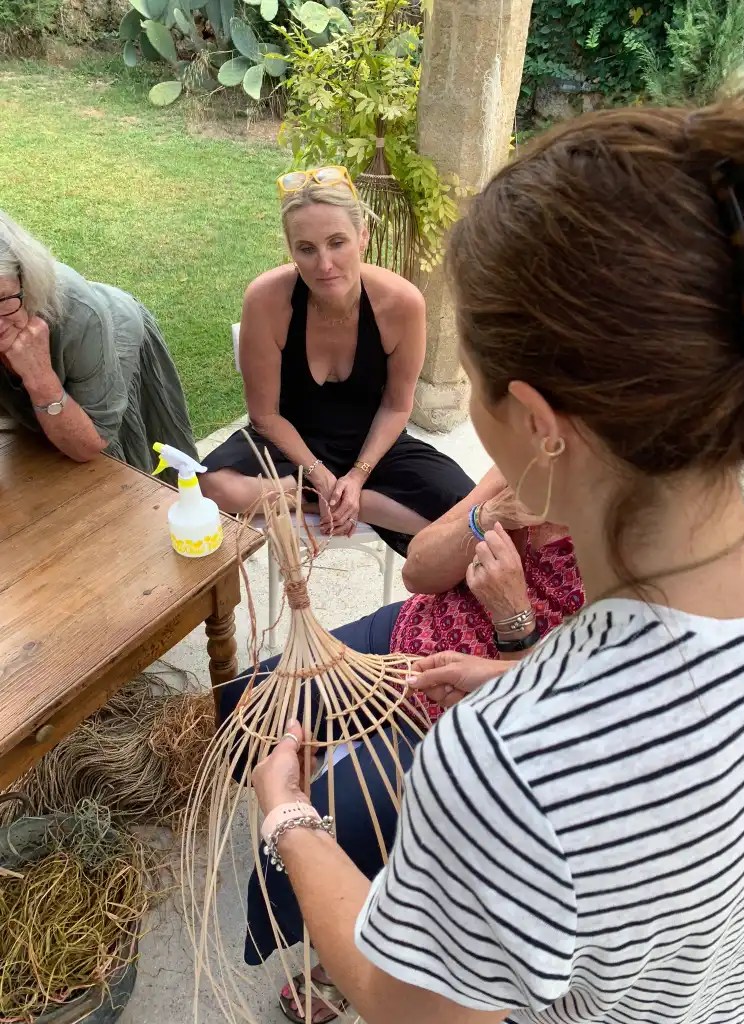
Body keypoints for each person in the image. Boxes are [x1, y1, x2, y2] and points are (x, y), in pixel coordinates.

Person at [250, 84, 744, 1024]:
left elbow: (403, 1004)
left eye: (479, 375)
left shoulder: (512, 760)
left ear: (535, 421)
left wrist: (289, 815)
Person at [218, 466, 584, 1022]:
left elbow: (573, 698)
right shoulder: (524, 464)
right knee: (252, 696)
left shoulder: (629, 539)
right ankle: (279, 795)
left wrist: (513, 620)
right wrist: (486, 517)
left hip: (468, 708)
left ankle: (350, 950)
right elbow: (417, 570)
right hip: (401, 640)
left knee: (337, 817)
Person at [200, 166, 474, 554]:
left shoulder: (401, 303)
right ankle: (324, 499)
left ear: (363, 236)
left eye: (337, 242)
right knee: (211, 484)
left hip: (371, 442)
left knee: (471, 512)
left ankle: (344, 501)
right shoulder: (265, 299)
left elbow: (397, 406)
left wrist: (357, 476)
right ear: (290, 249)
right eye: (307, 249)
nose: (324, 264)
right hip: (289, 441)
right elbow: (265, 415)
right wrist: (321, 478)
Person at [0, 212, 196, 472]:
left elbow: (91, 444)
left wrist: (39, 378)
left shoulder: (79, 316)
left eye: (2, 299)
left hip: (111, 335)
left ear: (26, 281)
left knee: (116, 475)